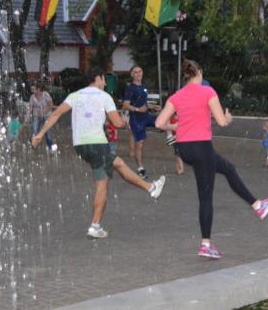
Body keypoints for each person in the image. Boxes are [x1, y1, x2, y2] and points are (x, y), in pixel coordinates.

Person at [155, 59, 268, 259]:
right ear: (199, 72)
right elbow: (221, 121)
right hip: (202, 147)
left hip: (184, 149)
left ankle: (257, 205)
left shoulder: (177, 96)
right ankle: (206, 244)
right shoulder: (207, 92)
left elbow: (159, 123)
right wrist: (228, 118)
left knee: (228, 168)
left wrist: (177, 127)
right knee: (206, 196)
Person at [32, 67, 166, 239]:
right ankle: (95, 226)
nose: (105, 83)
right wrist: (124, 121)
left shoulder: (75, 95)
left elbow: (56, 113)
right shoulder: (104, 97)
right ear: (99, 78)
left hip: (80, 145)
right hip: (97, 144)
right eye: (104, 79)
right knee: (102, 184)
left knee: (118, 163)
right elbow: (117, 123)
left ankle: (150, 188)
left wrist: (40, 134)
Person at [121, 66, 161, 179]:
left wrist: (153, 106)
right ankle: (140, 169)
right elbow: (125, 104)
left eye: (140, 71)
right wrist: (138, 109)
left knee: (162, 120)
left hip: (146, 116)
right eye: (135, 72)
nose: (138, 73)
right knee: (140, 144)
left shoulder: (144, 87)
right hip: (136, 119)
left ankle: (170, 138)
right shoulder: (130, 88)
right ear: (132, 75)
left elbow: (143, 103)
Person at [29, 81, 56, 151]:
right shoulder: (32, 97)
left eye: (34, 89)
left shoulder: (46, 95)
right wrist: (28, 114)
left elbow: (51, 105)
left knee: (48, 131)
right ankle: (34, 144)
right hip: (36, 115)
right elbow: (30, 107)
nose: (32, 91)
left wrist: (43, 112)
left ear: (38, 89)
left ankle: (49, 146)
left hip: (47, 115)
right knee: (34, 129)